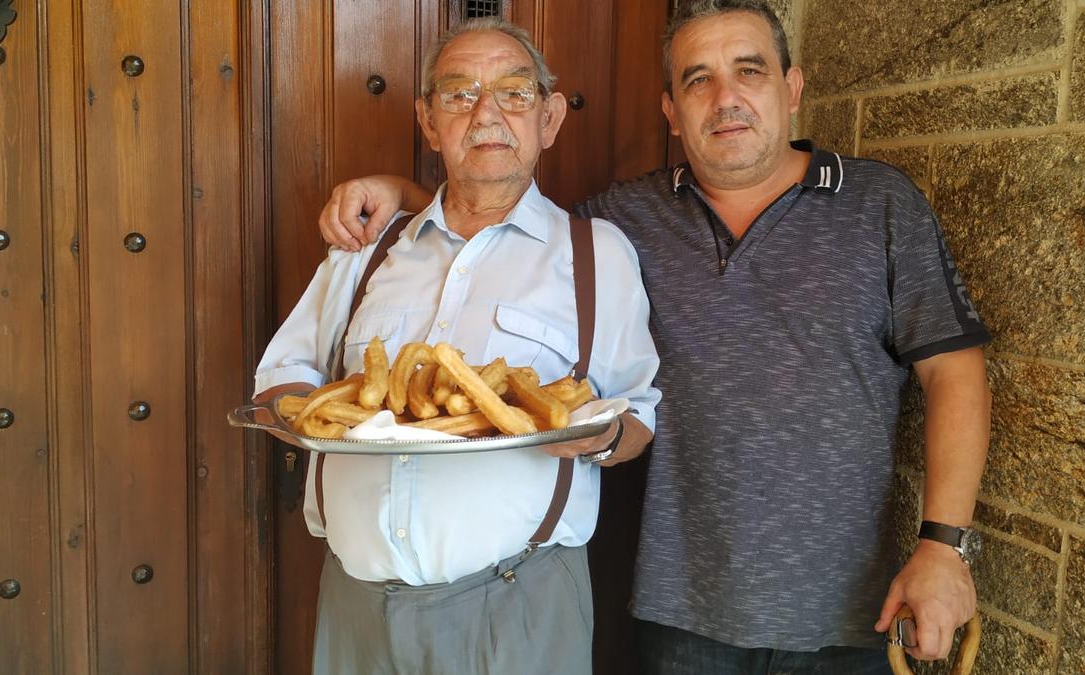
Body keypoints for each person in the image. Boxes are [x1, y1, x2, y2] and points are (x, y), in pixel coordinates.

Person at [315, 1, 992, 673]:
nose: (725, 98)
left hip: (849, 611)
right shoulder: (623, 220)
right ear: (671, 109)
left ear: (791, 89)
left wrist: (944, 546)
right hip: (681, 616)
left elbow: (954, 373)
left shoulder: (878, 204)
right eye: (698, 79)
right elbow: (497, 220)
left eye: (749, 71)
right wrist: (402, 195)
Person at [255, 17, 660, 675]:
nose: (486, 113)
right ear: (427, 120)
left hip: (519, 607)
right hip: (356, 607)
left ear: (550, 118)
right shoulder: (366, 249)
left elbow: (637, 414)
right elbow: (282, 378)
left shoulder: (597, 256)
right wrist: (313, 417)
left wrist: (598, 438)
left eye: (515, 93)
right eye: (458, 94)